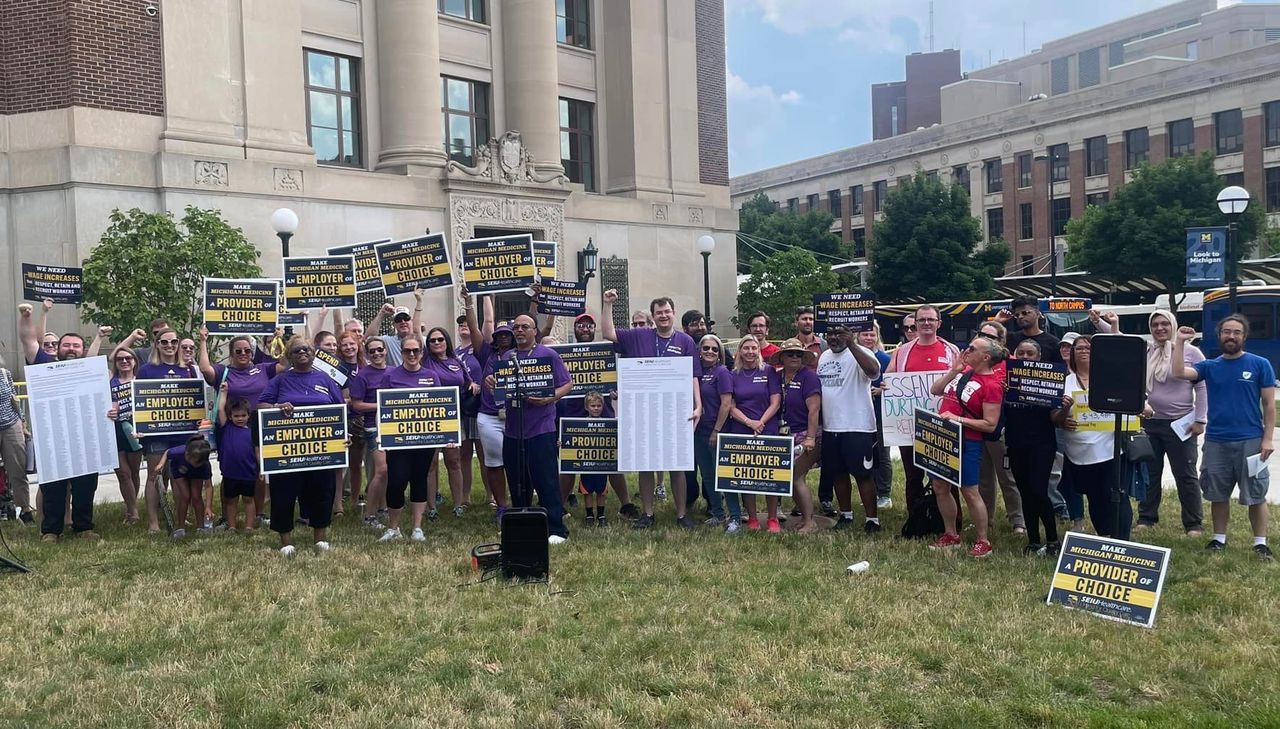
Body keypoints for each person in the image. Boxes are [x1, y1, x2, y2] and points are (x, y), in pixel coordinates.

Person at [1173, 317, 1275, 559]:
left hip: (1251, 440)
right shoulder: (1210, 366)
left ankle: (1260, 543)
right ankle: (1219, 539)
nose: (1231, 336)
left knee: (1256, 493)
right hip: (1216, 441)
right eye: (1226, 332)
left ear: (1244, 337)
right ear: (1219, 336)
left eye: (1237, 332)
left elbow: (1269, 405)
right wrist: (1180, 341)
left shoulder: (1260, 364)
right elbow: (1178, 372)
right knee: (1217, 493)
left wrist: (1268, 439)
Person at [601, 290, 701, 529]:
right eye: (659, 313)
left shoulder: (685, 341)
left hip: (675, 410)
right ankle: (647, 514)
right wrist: (607, 304)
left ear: (674, 313)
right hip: (643, 410)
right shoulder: (639, 335)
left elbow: (693, 375)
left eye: (667, 311)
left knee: (676, 464)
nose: (663, 316)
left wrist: (698, 405)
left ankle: (681, 514)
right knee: (645, 462)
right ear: (653, 317)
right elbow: (608, 332)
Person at [1102, 310, 1208, 535]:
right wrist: (1110, 323)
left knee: (1185, 474)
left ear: (1173, 325)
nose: (1160, 328)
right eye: (1155, 325)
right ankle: (1147, 517)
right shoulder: (1147, 350)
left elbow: (1202, 387)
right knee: (1149, 473)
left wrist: (1200, 420)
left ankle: (1193, 523)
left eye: (1164, 324)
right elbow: (1122, 342)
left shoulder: (1191, 352)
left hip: (1181, 424)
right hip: (1150, 422)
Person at [487, 314, 573, 543]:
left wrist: (550, 398)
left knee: (546, 480)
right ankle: (522, 524)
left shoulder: (548, 355)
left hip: (541, 428)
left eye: (525, 327)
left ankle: (556, 528)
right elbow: (500, 393)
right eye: (516, 327)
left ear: (535, 331)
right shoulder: (507, 357)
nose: (519, 331)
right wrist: (492, 384)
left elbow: (567, 383)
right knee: (517, 482)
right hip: (513, 430)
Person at [258, 336, 346, 556]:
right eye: (296, 350)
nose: (302, 353)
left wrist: (345, 435)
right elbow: (261, 404)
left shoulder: (325, 379)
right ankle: (286, 541)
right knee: (283, 493)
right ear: (289, 355)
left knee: (322, 491)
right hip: (287, 449)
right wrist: (277, 407)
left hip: (321, 449)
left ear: (313, 352)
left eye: (306, 349)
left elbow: (340, 410)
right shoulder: (280, 380)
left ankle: (320, 538)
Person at [929, 336, 1008, 557]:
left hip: (968, 441)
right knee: (940, 486)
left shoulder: (992, 385)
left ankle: (983, 540)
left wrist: (958, 419)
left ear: (986, 357)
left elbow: (990, 424)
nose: (966, 350)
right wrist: (954, 371)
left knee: (969, 491)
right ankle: (951, 533)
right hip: (944, 436)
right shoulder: (963, 373)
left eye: (972, 349)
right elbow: (935, 390)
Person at [552, 311, 636, 517]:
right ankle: (559, 506)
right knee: (570, 462)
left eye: (589, 326)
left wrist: (616, 390)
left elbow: (617, 381)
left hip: (602, 413)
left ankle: (626, 505)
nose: (585, 329)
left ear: (594, 329)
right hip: (572, 415)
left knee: (611, 460)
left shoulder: (606, 352)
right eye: (581, 325)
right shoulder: (563, 355)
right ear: (575, 329)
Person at [118, 327, 200, 534]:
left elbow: (197, 400)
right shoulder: (146, 370)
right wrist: (139, 426)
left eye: (173, 342)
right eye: (164, 342)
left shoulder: (189, 369)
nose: (169, 346)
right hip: (156, 433)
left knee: (179, 476)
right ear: (156, 344)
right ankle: (153, 523)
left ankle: (180, 519)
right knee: (154, 475)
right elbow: (139, 402)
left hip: (182, 432)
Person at [1052, 335, 1133, 540]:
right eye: (1079, 348)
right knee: (1094, 497)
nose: (1084, 351)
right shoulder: (1064, 382)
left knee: (1117, 494)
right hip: (1079, 452)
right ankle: (1104, 537)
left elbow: (1133, 403)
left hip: (1110, 449)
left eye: (1089, 347)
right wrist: (1063, 415)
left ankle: (1122, 540)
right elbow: (1054, 417)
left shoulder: (1111, 378)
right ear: (1072, 353)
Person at [198, 327, 278, 526]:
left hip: (257, 427)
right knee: (229, 472)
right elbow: (205, 369)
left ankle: (259, 514)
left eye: (247, 350)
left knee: (258, 470)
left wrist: (279, 339)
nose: (243, 353)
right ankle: (227, 518)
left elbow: (285, 364)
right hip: (230, 429)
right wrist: (203, 341)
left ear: (252, 352)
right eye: (238, 351)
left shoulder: (263, 368)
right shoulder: (223, 371)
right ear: (231, 354)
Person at [885, 304, 961, 514]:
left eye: (931, 319)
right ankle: (916, 519)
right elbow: (889, 377)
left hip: (943, 422)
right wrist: (885, 386)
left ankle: (952, 521)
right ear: (916, 323)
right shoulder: (902, 352)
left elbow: (961, 379)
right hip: (909, 422)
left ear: (939, 323)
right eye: (922, 320)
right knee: (913, 476)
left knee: (946, 476)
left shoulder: (951, 350)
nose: (926, 323)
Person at [817, 325, 883, 534]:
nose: (834, 338)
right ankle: (846, 514)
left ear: (850, 334)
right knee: (838, 473)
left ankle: (872, 519)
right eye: (830, 334)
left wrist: (852, 344)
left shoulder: (862, 352)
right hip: (831, 426)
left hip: (858, 426)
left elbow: (873, 372)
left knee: (863, 474)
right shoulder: (824, 356)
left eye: (839, 333)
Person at [377, 334, 443, 542]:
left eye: (416, 350)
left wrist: (445, 435)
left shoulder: (431, 376)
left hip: (425, 440)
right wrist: (381, 435)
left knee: (419, 479)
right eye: (407, 351)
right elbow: (382, 406)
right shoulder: (390, 376)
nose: (412, 354)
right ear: (402, 353)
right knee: (396, 481)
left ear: (422, 353)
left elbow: (441, 407)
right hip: (398, 441)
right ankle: (393, 528)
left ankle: (417, 528)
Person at [1004, 339, 1061, 555]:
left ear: (1039, 357)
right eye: (1021, 353)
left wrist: (1063, 406)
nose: (1025, 357)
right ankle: (1034, 541)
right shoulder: (1008, 379)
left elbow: (1055, 416)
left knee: (1039, 491)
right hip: (1016, 443)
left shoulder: (1049, 380)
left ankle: (1053, 540)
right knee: (1026, 493)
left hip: (1042, 444)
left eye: (1030, 353)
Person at [719, 334, 780, 531]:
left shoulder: (769, 371)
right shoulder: (733, 374)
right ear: (739, 351)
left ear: (758, 350)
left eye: (754, 348)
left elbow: (776, 402)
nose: (750, 352)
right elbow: (731, 406)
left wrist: (760, 422)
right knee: (747, 476)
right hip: (741, 428)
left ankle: (772, 518)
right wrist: (749, 422)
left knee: (770, 477)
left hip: (767, 427)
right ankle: (752, 517)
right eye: (746, 348)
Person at [463, 289, 513, 519]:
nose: (502, 338)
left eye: (506, 335)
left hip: (516, 415)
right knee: (494, 462)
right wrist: (468, 302)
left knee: (518, 461)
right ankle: (501, 505)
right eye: (499, 335)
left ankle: (519, 501)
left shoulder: (523, 354)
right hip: (489, 415)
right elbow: (475, 328)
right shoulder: (486, 354)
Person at [975, 320, 1027, 535]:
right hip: (976, 427)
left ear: (1002, 341)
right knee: (983, 479)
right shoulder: (973, 362)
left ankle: (1018, 521)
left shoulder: (1012, 364)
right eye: (981, 334)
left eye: (991, 337)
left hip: (1003, 428)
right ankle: (985, 519)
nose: (985, 339)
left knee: (1008, 477)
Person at [772, 338, 821, 533]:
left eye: (798, 354)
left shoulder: (809, 377)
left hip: (807, 434)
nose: (794, 357)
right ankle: (804, 517)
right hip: (784, 435)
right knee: (788, 478)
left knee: (795, 476)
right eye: (790, 354)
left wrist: (810, 438)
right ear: (782, 357)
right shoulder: (777, 376)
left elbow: (814, 410)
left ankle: (810, 521)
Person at [424, 326, 473, 518]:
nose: (437, 342)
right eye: (432, 340)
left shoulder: (456, 361)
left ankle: (458, 505)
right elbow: (414, 334)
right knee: (430, 463)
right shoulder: (425, 360)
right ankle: (431, 507)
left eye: (440, 339)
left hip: (453, 418)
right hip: (429, 418)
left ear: (447, 341)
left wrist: (473, 386)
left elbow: (467, 382)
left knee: (454, 461)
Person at [350, 336, 391, 530]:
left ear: (385, 351)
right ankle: (369, 515)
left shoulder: (394, 372)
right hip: (373, 427)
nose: (376, 353)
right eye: (372, 351)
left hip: (394, 427)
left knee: (389, 470)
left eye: (379, 349)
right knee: (381, 470)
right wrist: (382, 405)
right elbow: (356, 404)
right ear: (367, 354)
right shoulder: (362, 375)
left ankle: (384, 508)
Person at [695, 334, 735, 529]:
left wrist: (716, 430)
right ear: (699, 351)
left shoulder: (722, 372)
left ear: (719, 353)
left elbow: (726, 404)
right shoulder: (696, 373)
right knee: (708, 475)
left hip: (717, 430)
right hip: (699, 431)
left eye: (714, 349)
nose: (710, 351)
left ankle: (734, 516)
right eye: (706, 348)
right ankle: (718, 513)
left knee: (724, 475)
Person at [454, 312, 489, 506]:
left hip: (478, 406)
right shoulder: (454, 352)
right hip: (461, 408)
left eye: (467, 323)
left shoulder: (478, 348)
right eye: (460, 324)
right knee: (464, 455)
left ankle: (491, 495)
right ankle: (465, 496)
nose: (463, 326)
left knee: (484, 454)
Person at [857, 325, 893, 509]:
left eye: (872, 334)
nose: (868, 338)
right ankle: (869, 491)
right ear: (858, 336)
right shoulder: (852, 358)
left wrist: (880, 390)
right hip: (858, 414)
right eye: (865, 334)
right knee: (864, 453)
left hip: (880, 414)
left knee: (882, 454)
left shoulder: (885, 359)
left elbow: (894, 384)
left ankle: (884, 493)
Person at [108, 349, 143, 524]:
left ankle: (131, 506)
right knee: (123, 473)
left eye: (128, 358)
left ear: (135, 361)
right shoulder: (109, 379)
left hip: (134, 429)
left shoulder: (141, 380)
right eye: (120, 359)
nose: (124, 361)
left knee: (134, 471)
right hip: (113, 429)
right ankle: (133, 511)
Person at [216, 391, 258, 533]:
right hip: (230, 473)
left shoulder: (253, 432)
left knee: (249, 499)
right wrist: (223, 393)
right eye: (236, 416)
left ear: (248, 415)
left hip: (248, 472)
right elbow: (220, 409)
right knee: (231, 501)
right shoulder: (226, 428)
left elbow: (257, 452)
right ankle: (232, 526)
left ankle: (249, 526)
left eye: (243, 415)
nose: (240, 418)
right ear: (230, 416)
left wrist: (261, 469)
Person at [158, 435, 213, 538]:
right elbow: (167, 452)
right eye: (195, 462)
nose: (196, 464)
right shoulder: (179, 452)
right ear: (187, 454)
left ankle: (201, 527)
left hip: (197, 473)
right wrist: (161, 464)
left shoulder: (204, 466)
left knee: (196, 496)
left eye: (199, 463)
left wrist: (208, 507)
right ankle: (180, 527)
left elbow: (209, 486)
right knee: (185, 496)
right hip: (179, 468)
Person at [337, 330, 365, 514]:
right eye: (345, 344)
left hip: (360, 419)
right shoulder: (337, 367)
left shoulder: (365, 365)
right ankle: (337, 504)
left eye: (352, 344)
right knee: (339, 464)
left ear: (358, 345)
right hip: (341, 419)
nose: (349, 347)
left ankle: (355, 501)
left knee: (356, 464)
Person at [0, 364, 32, 524]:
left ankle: (25, 510)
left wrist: (23, 424)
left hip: (11, 425)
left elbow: (14, 399)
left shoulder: (5, 374)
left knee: (18, 470)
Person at [577, 391, 612, 526]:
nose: (596, 408)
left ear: (603, 406)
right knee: (587, 490)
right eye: (593, 406)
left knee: (601, 490)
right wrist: (562, 442)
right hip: (586, 463)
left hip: (601, 463)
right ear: (587, 407)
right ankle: (589, 515)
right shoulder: (579, 424)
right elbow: (572, 439)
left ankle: (601, 515)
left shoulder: (608, 424)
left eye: (598, 405)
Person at [999, 295, 1062, 365]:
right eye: (1017, 315)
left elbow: (1059, 369)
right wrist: (997, 321)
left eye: (1024, 313)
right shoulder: (1009, 339)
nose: (1020, 317)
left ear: (1037, 314)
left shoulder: (1053, 343)